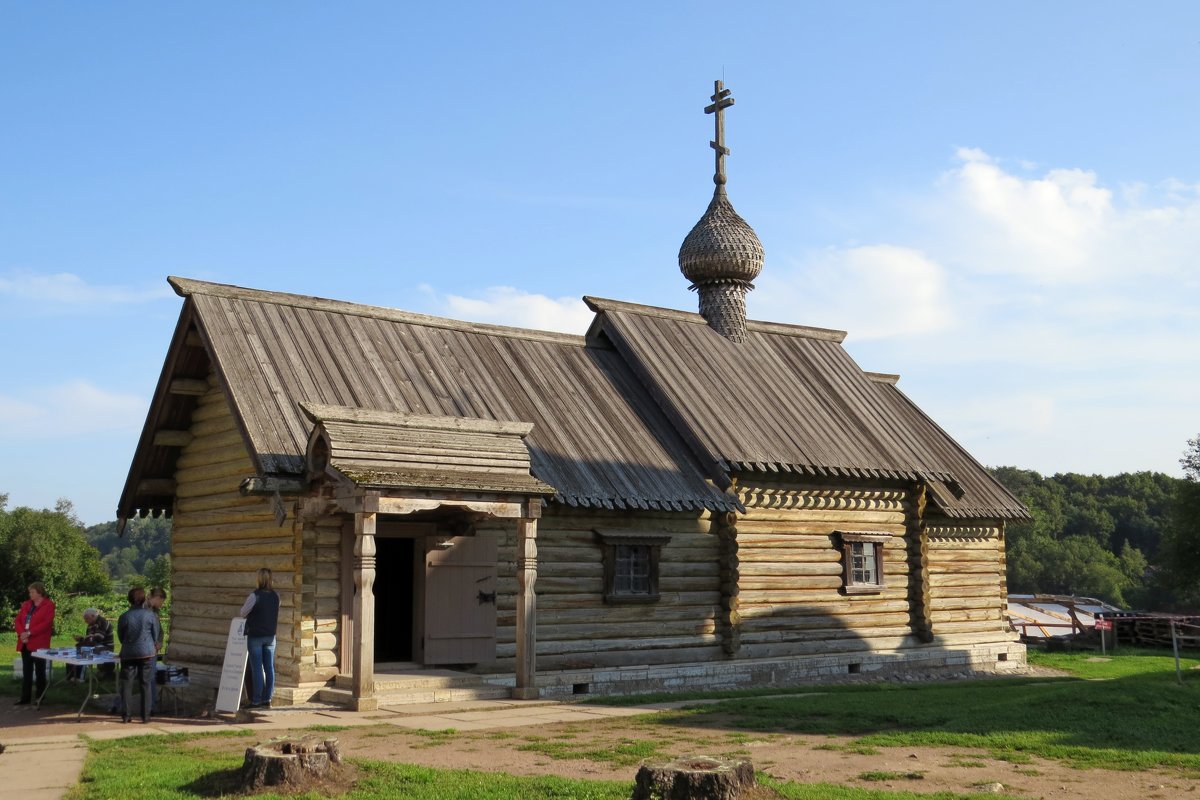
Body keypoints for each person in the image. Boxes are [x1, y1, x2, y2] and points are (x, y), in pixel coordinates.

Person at [117, 586, 162, 723]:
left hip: (128, 653)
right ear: (143, 599)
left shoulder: (124, 616)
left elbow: (121, 636)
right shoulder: (150, 615)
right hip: (147, 653)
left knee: (126, 684)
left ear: (129, 600)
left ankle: (126, 716)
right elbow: (155, 634)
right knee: (146, 684)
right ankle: (145, 716)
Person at [239, 568, 280, 709]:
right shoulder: (276, 596)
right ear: (270, 579)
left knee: (257, 668)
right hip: (270, 636)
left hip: (256, 635)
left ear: (259, 579)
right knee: (269, 668)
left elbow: (243, 612)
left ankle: (256, 700)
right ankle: (267, 699)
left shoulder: (254, 596)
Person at [14, 582, 55, 706]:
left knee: (40, 671)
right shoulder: (26, 604)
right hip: (25, 642)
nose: (30, 594)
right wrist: (22, 633)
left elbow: (46, 623)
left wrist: (30, 633)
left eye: (32, 592)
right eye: (30, 592)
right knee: (27, 671)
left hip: (39, 643)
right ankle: (25, 697)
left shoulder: (49, 605)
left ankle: (40, 697)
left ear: (39, 592)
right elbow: (18, 620)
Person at [68, 608, 114, 682]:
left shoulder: (102, 622)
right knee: (77, 649)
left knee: (84, 651)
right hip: (96, 646)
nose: (85, 621)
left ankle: (80, 677)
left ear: (93, 616)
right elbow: (89, 639)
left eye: (86, 618)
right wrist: (81, 639)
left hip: (106, 647)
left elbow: (98, 638)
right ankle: (72, 676)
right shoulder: (90, 624)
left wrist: (84, 641)